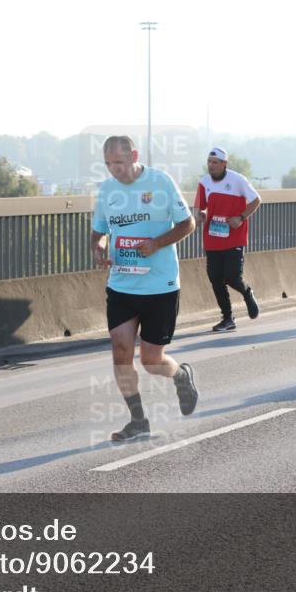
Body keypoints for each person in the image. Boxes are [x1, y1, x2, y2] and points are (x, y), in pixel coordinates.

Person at [90, 135, 199, 441]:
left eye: (119, 162)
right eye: (108, 163)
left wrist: (157, 244)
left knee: (151, 361)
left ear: (134, 156)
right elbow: (98, 232)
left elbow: (188, 224)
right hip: (122, 285)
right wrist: (99, 248)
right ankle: (138, 421)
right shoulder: (107, 190)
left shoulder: (160, 182)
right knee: (120, 350)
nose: (114, 169)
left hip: (160, 286)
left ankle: (180, 375)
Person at [193, 147, 262, 332]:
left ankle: (247, 293)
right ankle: (228, 318)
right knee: (216, 279)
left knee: (232, 277)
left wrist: (241, 217)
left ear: (224, 163)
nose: (211, 166)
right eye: (209, 162)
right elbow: (200, 208)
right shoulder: (204, 182)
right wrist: (200, 215)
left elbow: (256, 200)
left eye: (215, 162)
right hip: (212, 239)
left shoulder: (238, 180)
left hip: (234, 238)